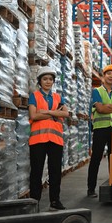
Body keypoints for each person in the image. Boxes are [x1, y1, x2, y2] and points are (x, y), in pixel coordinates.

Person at [28, 66, 70, 211]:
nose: (48, 82)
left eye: (50, 79)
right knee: (36, 172)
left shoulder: (58, 97)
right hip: (38, 140)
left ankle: (55, 200)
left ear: (53, 82)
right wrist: (54, 113)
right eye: (45, 79)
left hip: (55, 140)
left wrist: (45, 111)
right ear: (40, 81)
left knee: (55, 172)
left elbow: (66, 114)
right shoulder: (34, 96)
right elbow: (33, 116)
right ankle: (34, 202)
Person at [87, 64, 112, 198]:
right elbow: (100, 109)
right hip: (101, 128)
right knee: (96, 158)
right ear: (103, 76)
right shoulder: (97, 91)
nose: (111, 76)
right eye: (108, 73)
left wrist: (108, 105)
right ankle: (91, 188)